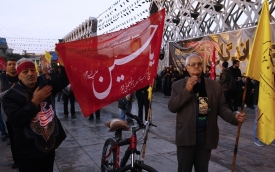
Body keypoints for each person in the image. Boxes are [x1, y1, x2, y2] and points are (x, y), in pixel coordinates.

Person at [168, 53, 245, 172]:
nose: (196, 66)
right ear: (186, 67)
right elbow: (172, 107)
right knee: (184, 169)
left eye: (199, 64)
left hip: (205, 136)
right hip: (186, 135)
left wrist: (234, 117)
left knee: (203, 169)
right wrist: (187, 90)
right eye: (192, 64)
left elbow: (222, 108)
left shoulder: (214, 86)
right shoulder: (177, 86)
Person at [2, 51, 69, 171]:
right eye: (25, 71)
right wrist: (35, 102)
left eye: (33, 70)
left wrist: (63, 65)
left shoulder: (44, 85)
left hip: (48, 145)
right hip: (28, 152)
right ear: (19, 75)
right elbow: (15, 120)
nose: (30, 74)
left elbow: (62, 81)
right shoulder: (11, 95)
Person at [1, 58, 19, 169]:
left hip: (23, 112)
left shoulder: (21, 77)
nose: (12, 66)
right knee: (13, 139)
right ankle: (16, 160)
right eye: (10, 64)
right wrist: (11, 90)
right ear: (6, 66)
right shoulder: (2, 79)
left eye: (14, 64)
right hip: (8, 114)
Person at [253, 80, 265, 146]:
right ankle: (256, 139)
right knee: (258, 120)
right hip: (259, 102)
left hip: (268, 102)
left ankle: (268, 137)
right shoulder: (260, 77)